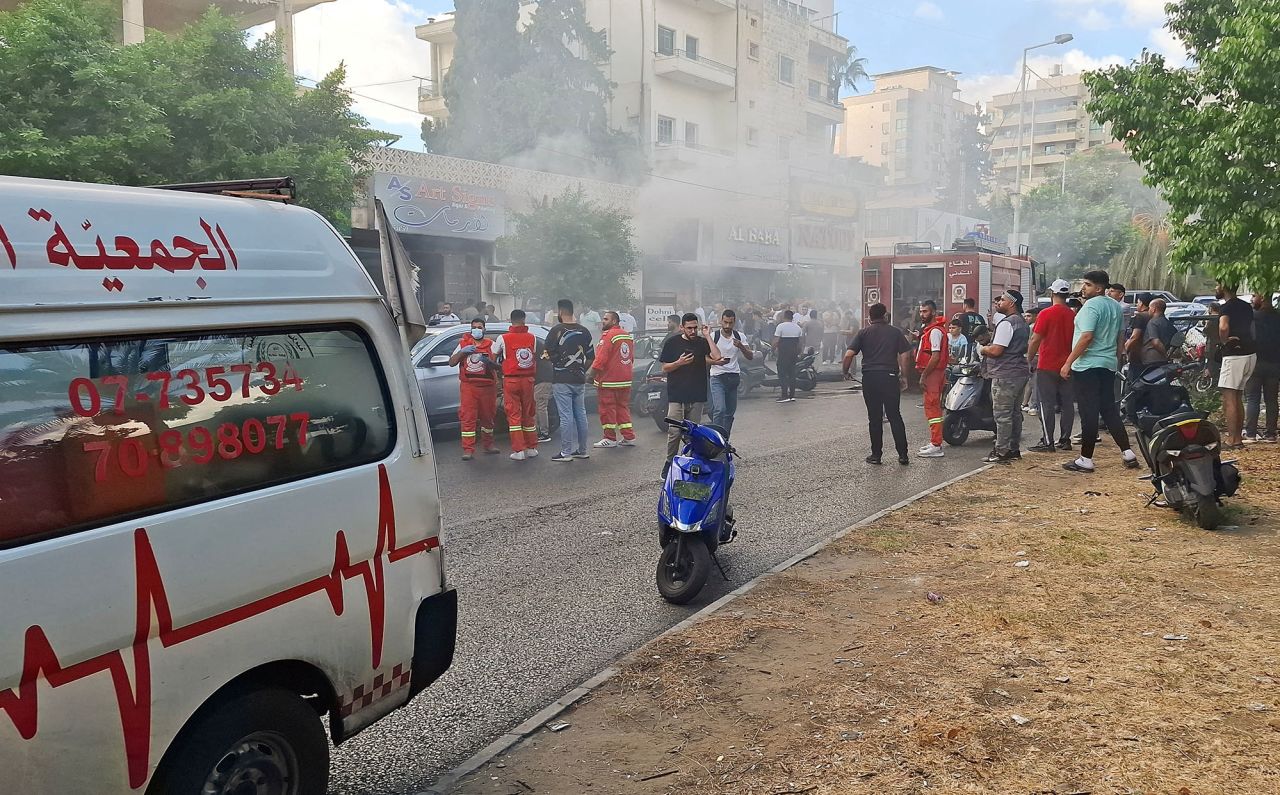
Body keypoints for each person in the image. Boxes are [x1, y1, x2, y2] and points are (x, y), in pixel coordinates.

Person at [1060, 270, 1140, 473]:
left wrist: (1068, 362)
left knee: (1089, 412)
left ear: (1099, 288)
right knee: (1109, 409)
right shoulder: (1115, 306)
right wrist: (1117, 356)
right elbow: (1120, 335)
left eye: (1087, 284)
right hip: (1107, 363)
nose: (1083, 288)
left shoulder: (1090, 307)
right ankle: (1127, 452)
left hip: (1087, 365)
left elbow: (1086, 337)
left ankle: (1085, 459)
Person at [843, 303, 911, 466]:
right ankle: (903, 455)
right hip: (889, 377)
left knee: (874, 418)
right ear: (885, 316)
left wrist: (845, 371)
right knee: (894, 415)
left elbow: (849, 354)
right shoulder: (895, 332)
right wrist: (904, 376)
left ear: (870, 317)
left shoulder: (863, 333)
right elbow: (906, 355)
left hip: (870, 378)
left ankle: (876, 455)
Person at [979, 290, 1030, 464]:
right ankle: (1013, 449)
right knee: (1015, 413)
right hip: (1019, 373)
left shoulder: (1007, 323)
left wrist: (983, 349)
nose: (998, 302)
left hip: (1005, 374)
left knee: (1002, 415)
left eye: (1002, 300)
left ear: (1011, 303)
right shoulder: (1022, 322)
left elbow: (996, 350)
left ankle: (1001, 451)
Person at [660, 313, 716, 470]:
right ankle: (669, 463)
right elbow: (664, 368)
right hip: (677, 395)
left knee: (693, 434)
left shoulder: (702, 342)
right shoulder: (672, 343)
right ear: (682, 327)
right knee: (675, 432)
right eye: (689, 328)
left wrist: (707, 336)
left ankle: (691, 463)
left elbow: (716, 356)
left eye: (695, 328)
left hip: (697, 395)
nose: (693, 331)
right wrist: (679, 362)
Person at [1027, 279, 1076, 453]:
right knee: (1067, 404)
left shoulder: (1045, 314)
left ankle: (1048, 441)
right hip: (1068, 365)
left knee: (1045, 403)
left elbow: (1035, 339)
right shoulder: (1073, 315)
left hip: (1047, 364)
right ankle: (1065, 439)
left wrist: (1029, 358)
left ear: (1052, 293)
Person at [545, 299, 594, 462]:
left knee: (566, 416)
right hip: (579, 379)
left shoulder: (555, 331)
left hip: (561, 379)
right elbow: (590, 357)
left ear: (559, 312)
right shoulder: (584, 331)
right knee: (581, 414)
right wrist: (581, 370)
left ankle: (566, 452)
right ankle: (582, 450)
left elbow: (548, 356)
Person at [491, 310, 541, 460]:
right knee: (528, 414)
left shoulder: (503, 338)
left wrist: (498, 375)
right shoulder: (533, 338)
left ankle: (519, 450)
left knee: (514, 416)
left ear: (510, 320)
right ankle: (532, 447)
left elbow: (493, 357)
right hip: (529, 380)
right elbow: (534, 356)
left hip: (511, 380)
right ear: (524, 319)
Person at [449, 317, 499, 460]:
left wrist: (490, 363)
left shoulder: (492, 345)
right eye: (474, 327)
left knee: (488, 418)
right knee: (468, 418)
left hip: (488, 388)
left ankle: (488, 445)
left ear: (484, 329)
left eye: (480, 327)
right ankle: (468, 449)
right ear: (471, 329)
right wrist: (462, 352)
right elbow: (451, 362)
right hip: (469, 387)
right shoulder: (463, 344)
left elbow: (500, 366)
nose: (477, 330)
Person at [590, 311, 636, 448]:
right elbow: (630, 358)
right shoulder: (626, 335)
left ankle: (609, 438)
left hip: (609, 380)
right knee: (622, 408)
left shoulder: (608, 336)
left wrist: (591, 375)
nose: (603, 321)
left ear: (614, 321)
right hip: (625, 379)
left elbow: (600, 359)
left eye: (606, 319)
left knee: (607, 409)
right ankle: (628, 436)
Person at [707, 309, 754, 438]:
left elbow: (750, 356)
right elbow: (704, 358)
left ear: (734, 322)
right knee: (719, 409)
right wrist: (716, 362)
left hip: (733, 377)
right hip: (717, 377)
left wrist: (741, 347)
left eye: (730, 323)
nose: (727, 326)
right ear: (721, 321)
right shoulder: (713, 336)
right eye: (725, 322)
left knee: (729, 412)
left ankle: (725, 439)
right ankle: (715, 438)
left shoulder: (739, 336)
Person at [915, 300, 949, 458]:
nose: (922, 314)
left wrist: (924, 375)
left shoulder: (934, 331)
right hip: (933, 373)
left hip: (932, 374)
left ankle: (936, 445)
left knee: (933, 409)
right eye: (921, 311)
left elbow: (935, 357)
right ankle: (935, 442)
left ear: (933, 312)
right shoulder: (931, 330)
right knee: (932, 409)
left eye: (925, 311)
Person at [1245, 292, 1280, 443]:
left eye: (1254, 296)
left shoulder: (1252, 317)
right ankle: (1271, 433)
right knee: (1271, 399)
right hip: (1274, 362)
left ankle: (1251, 433)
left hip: (1256, 361)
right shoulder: (1278, 317)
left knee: (1253, 398)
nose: (1252, 299)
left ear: (1263, 297)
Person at [773, 310, 804, 403]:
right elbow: (800, 342)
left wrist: (772, 349)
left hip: (783, 353)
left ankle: (784, 395)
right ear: (792, 317)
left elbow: (776, 340)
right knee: (792, 374)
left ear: (784, 317)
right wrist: (799, 352)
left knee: (782, 374)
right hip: (793, 354)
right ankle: (792, 395)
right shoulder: (798, 327)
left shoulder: (781, 326)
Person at [1139, 298, 1174, 368]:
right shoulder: (1168, 323)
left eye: (1149, 308)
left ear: (1154, 309)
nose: (1148, 310)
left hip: (1151, 360)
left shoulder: (1152, 322)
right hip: (1163, 362)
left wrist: (1165, 354)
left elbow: (1156, 342)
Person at [533, 334, 554, 444]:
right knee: (539, 406)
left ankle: (543, 433)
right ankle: (539, 431)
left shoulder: (535, 345)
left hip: (542, 380)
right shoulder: (539, 346)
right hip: (542, 380)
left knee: (540, 406)